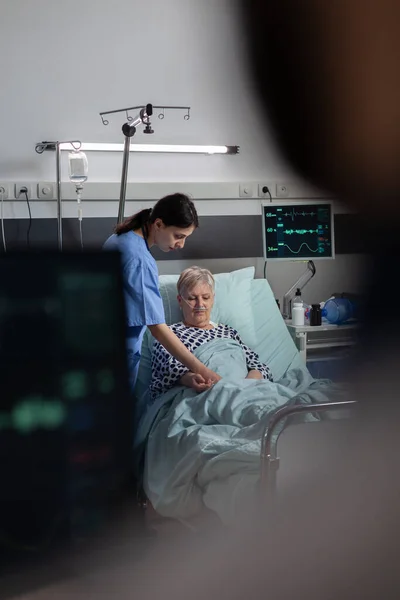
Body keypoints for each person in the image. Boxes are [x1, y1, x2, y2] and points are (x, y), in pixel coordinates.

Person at [103, 194, 220, 391]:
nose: (181, 245)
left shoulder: (121, 238)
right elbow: (157, 328)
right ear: (158, 224)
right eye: (178, 236)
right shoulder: (139, 260)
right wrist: (202, 370)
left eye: (185, 238)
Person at [150, 266, 272, 400]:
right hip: (204, 395)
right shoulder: (169, 334)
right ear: (180, 301)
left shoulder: (228, 332)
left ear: (213, 299)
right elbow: (169, 370)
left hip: (246, 392)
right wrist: (189, 379)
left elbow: (259, 367)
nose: (200, 304)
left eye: (206, 297)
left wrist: (245, 388)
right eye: (192, 298)